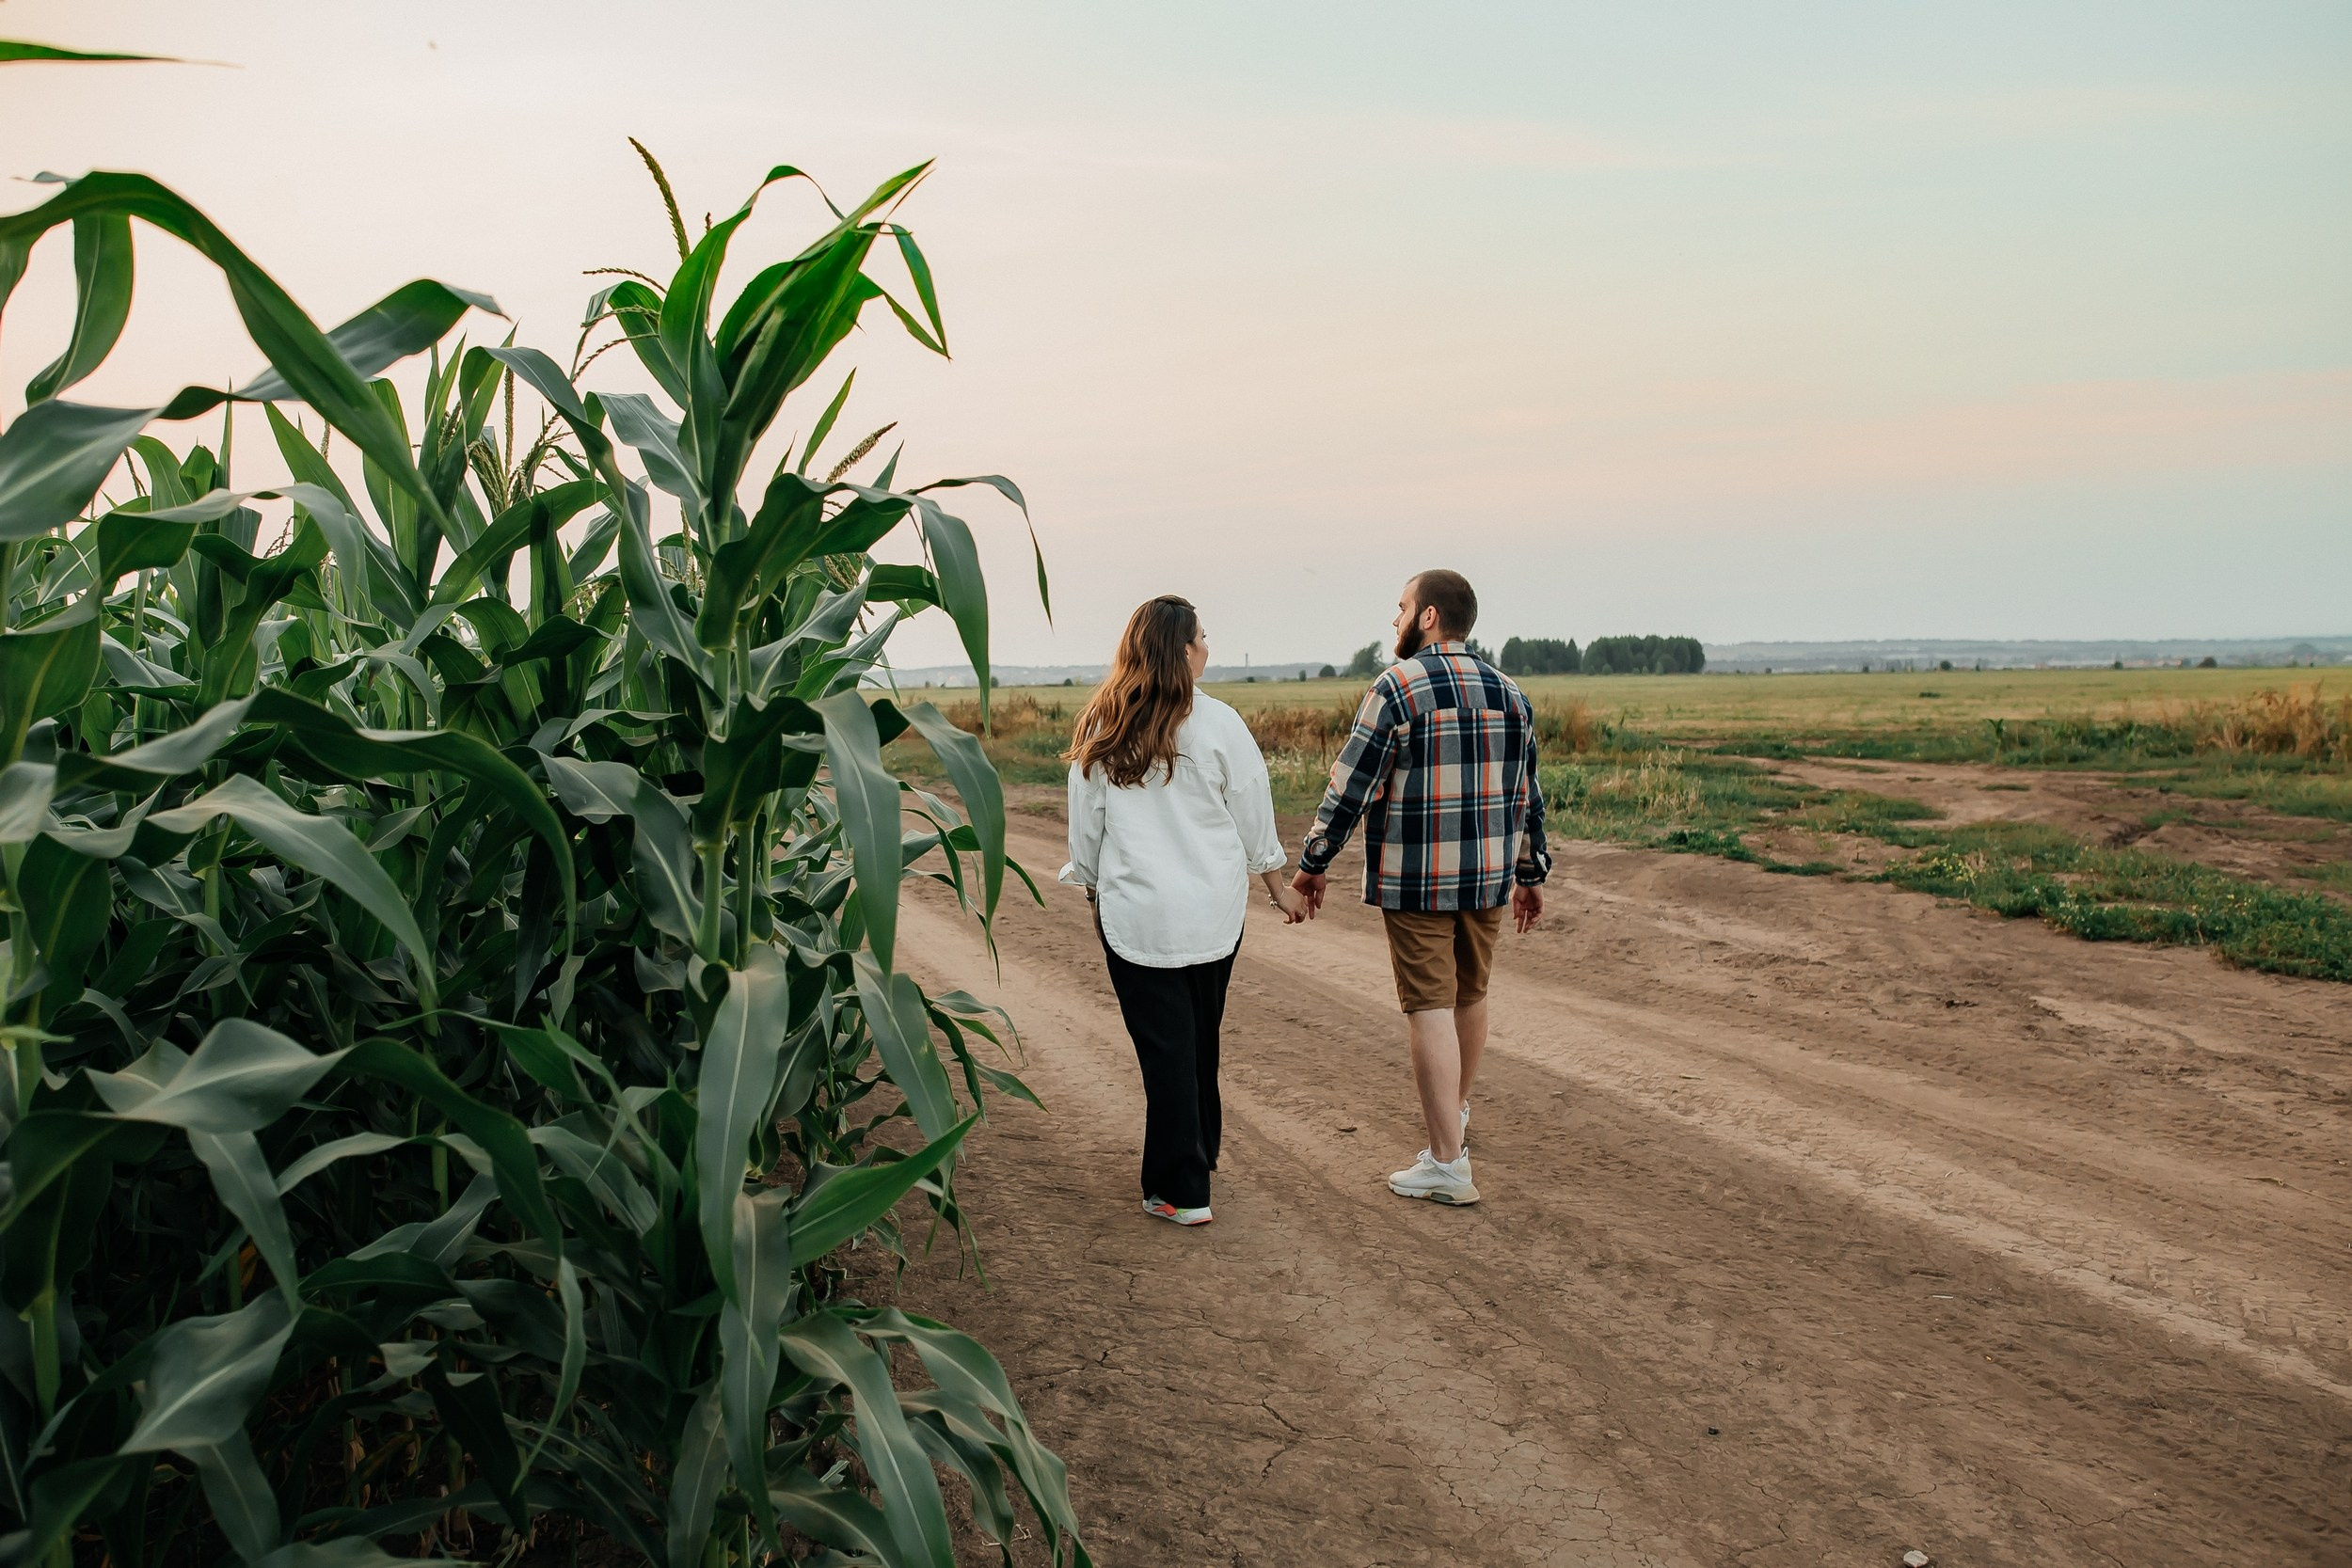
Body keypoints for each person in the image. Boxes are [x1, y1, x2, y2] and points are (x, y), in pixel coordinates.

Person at [1291, 570, 1549, 1206]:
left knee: (1429, 1003)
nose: (1396, 618)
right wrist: (1530, 871)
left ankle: (1446, 1163)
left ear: (1429, 615)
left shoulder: (1397, 689)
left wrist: (1314, 860)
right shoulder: (1511, 693)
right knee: (1470, 993)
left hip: (1418, 879)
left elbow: (1351, 785)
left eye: (1401, 607)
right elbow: (1528, 793)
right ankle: (1451, 1117)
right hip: (1487, 878)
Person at [1061, 595, 1307, 1227]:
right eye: (1203, 637)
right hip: (1214, 910)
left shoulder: (1103, 726)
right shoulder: (1221, 723)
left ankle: (1181, 1188)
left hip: (1137, 911)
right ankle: (1201, 1150)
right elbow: (1253, 811)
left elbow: (1086, 827)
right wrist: (1276, 886)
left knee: (1166, 1046)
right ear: (1183, 651)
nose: (1208, 647)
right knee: (1198, 1035)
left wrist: (1091, 883)